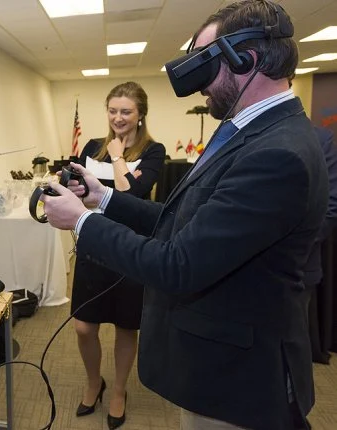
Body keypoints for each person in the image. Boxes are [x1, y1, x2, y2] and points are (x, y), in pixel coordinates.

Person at [41, 1, 328, 429]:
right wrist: (103, 198)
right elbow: (183, 221)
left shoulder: (276, 153)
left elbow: (179, 264)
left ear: (245, 60)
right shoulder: (256, 133)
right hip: (220, 364)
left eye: (206, 67)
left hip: (238, 382)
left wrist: (80, 221)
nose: (200, 87)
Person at [71, 81, 165, 429]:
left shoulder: (154, 150)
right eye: (113, 110)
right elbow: (83, 194)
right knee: (83, 326)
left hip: (130, 247)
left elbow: (132, 194)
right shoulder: (91, 146)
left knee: (126, 326)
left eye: (126, 111)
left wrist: (116, 156)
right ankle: (95, 380)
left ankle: (119, 391)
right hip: (94, 242)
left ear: (140, 115)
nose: (118, 117)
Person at [305, 126, 337, 364]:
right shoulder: (233, 132)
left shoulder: (319, 139)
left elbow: (331, 208)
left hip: (296, 269)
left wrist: (286, 245)